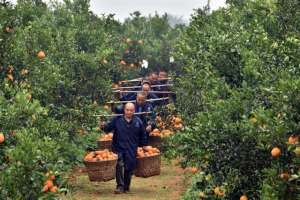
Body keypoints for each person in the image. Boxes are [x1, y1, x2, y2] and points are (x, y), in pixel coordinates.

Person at [100, 103, 147, 194]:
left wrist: (143, 146)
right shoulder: (117, 120)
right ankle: (120, 186)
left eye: (131, 110)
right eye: (127, 110)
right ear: (124, 110)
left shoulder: (138, 122)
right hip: (118, 147)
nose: (129, 112)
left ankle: (126, 186)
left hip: (131, 148)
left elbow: (143, 135)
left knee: (129, 168)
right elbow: (108, 128)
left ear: (134, 111)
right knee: (119, 165)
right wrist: (103, 126)